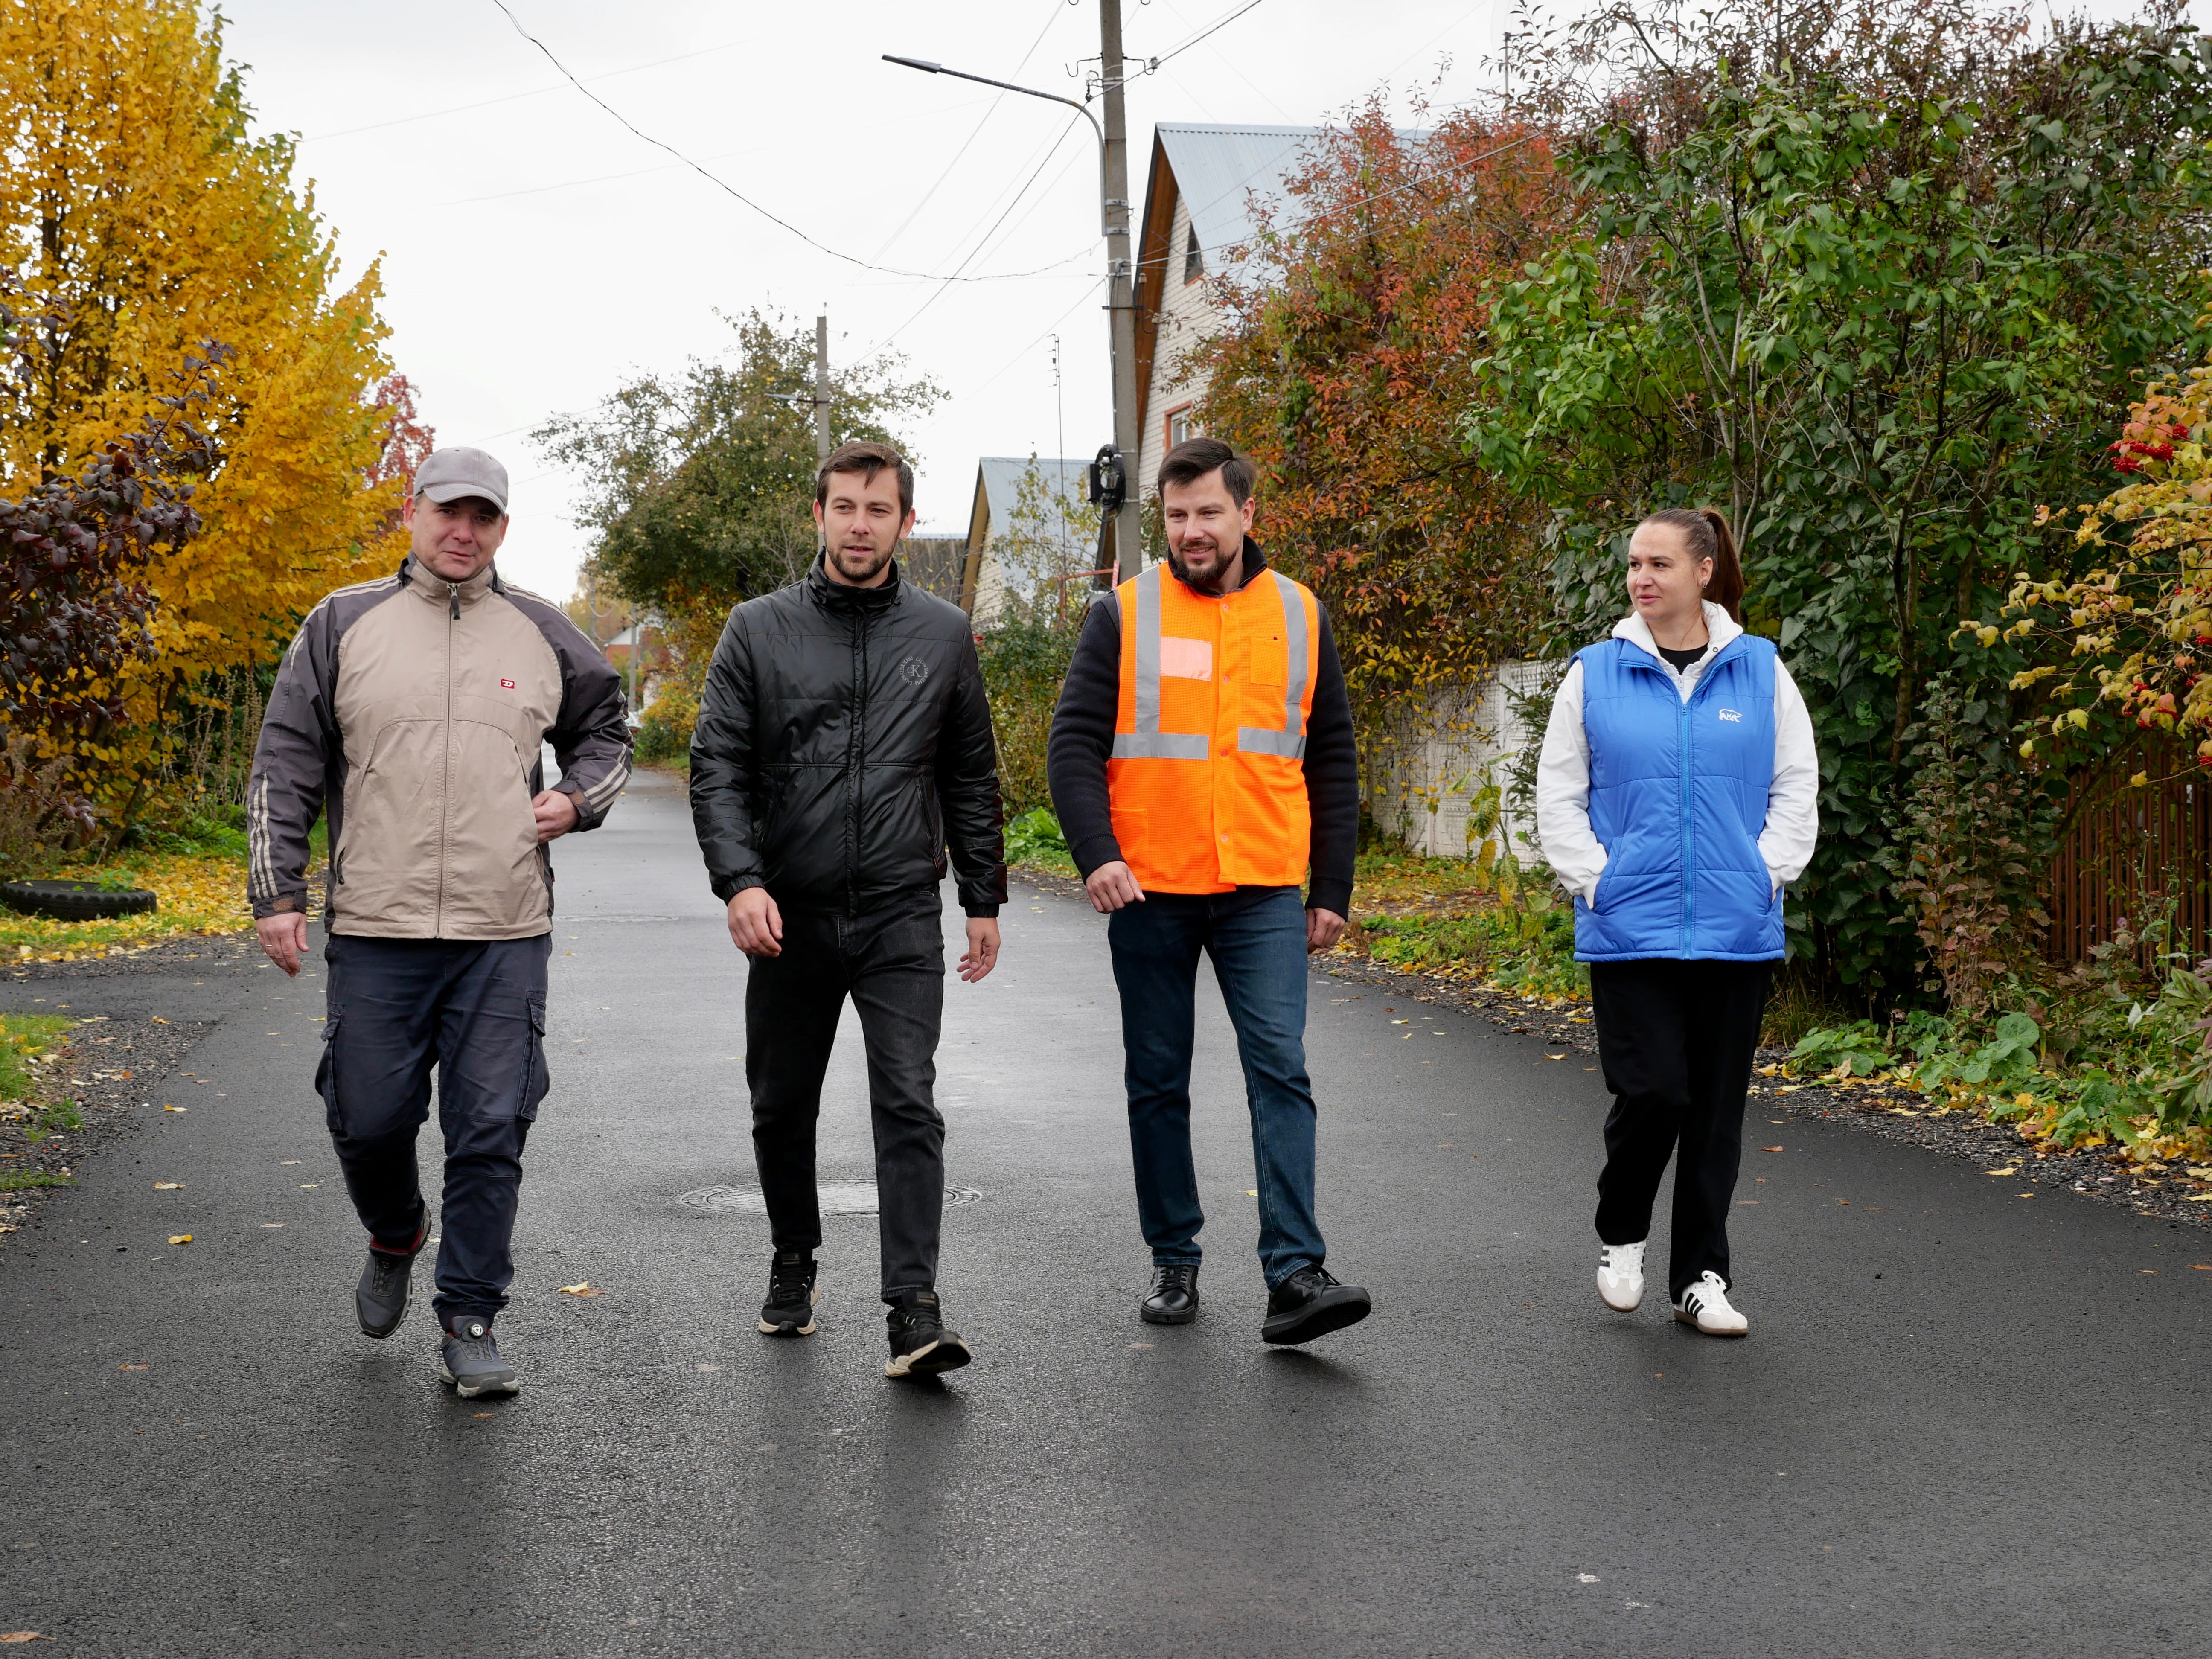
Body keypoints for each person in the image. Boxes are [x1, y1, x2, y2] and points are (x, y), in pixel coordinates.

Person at [248, 446, 633, 1397]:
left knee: (491, 1127)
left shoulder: (541, 628)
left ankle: (470, 1318)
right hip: (376, 925)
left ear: (502, 527)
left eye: (483, 517)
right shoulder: (342, 622)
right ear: (412, 512)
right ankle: (395, 1232)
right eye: (447, 512)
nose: (464, 532)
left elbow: (607, 732)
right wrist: (278, 892)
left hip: (504, 928)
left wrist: (579, 798)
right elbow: (285, 758)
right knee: (367, 1116)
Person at [689, 439, 1005, 1381]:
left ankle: (915, 1311)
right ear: (819, 514)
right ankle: (794, 1255)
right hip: (789, 911)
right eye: (845, 507)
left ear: (905, 521)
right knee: (781, 1103)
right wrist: (741, 882)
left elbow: (970, 774)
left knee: (908, 1099)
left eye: (878, 509)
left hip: (901, 910)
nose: (860, 525)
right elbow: (718, 767)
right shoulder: (757, 629)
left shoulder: (944, 633)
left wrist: (981, 897)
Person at [1046, 435, 1370, 1345]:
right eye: (1177, 514)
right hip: (1147, 887)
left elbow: (1332, 755)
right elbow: (1073, 746)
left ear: (1247, 514)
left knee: (1281, 1071)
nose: (1192, 530)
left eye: (1209, 513)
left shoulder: (1299, 614)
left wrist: (1332, 886)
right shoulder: (1124, 614)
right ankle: (1174, 1260)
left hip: (1262, 885)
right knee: (1158, 1080)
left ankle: (1295, 1273)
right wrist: (1096, 854)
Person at [1534, 506, 1818, 1338]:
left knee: (1716, 1117)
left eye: (1658, 563)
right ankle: (1622, 1233)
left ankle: (1701, 1277)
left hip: (1736, 930)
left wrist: (1765, 873)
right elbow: (1560, 792)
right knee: (1654, 1092)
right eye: (1634, 564)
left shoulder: (1761, 671)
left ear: (1703, 570)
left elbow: (1796, 784)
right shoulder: (1596, 673)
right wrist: (1597, 882)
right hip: (1632, 928)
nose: (1641, 578)